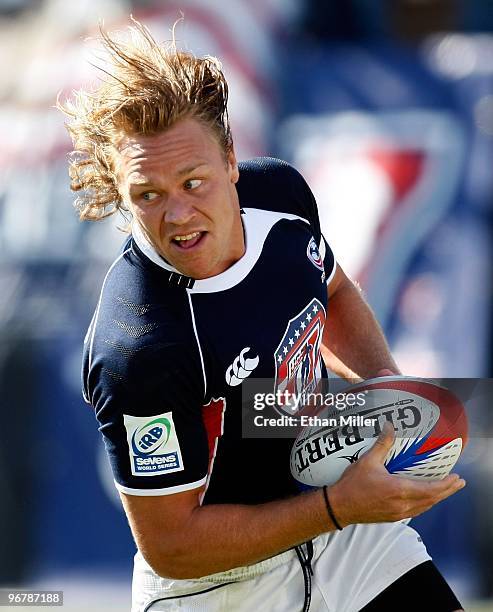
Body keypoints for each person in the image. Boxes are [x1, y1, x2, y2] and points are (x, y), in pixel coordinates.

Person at [58, 19, 465, 612]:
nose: (176, 214)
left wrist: (388, 389)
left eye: (193, 181)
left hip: (340, 532)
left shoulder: (279, 195)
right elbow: (172, 545)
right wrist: (339, 507)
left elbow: (332, 287)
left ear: (230, 159)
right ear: (122, 194)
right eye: (148, 194)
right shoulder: (139, 347)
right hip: (215, 584)